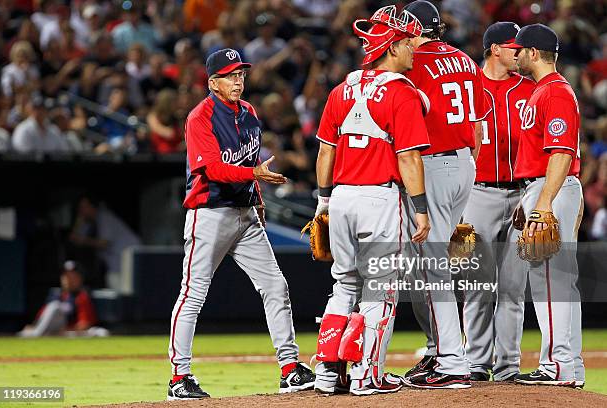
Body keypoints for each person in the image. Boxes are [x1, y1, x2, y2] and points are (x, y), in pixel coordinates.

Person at [167, 48, 315, 400]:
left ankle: (290, 369)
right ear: (213, 81)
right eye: (231, 75)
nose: (238, 80)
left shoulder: (249, 112)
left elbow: (248, 164)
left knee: (276, 287)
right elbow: (213, 169)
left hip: (246, 214)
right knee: (193, 293)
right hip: (210, 212)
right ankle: (179, 377)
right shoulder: (200, 117)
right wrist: (254, 174)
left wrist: (258, 198)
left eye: (241, 74)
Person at [313, 6, 430, 395]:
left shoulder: (341, 89)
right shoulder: (401, 92)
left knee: (343, 285)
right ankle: (367, 376)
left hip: (341, 196)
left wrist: (324, 202)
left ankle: (328, 375)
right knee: (382, 289)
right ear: (392, 46)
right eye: (409, 43)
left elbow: (325, 152)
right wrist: (422, 209)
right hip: (380, 198)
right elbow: (409, 157)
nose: (414, 48)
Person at [400, 0, 489, 389]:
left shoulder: (414, 63)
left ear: (415, 28)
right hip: (465, 163)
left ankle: (451, 360)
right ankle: (443, 351)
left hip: (432, 165)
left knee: (431, 265)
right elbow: (479, 126)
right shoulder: (467, 61)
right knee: (434, 265)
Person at [502, 23, 585, 388]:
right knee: (559, 282)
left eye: (519, 51)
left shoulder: (555, 93)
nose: (515, 55)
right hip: (544, 188)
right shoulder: (544, 91)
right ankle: (570, 366)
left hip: (552, 187)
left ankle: (557, 365)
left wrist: (544, 203)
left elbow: (561, 153)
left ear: (533, 53)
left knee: (552, 282)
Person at [461, 21, 535, 382]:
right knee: (477, 284)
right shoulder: (466, 87)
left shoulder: (530, 90)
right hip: (477, 194)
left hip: (522, 193)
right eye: (512, 46)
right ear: (494, 49)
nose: (518, 52)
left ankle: (508, 366)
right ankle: (476, 361)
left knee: (513, 288)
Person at [18, 260, 99, 337]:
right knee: (54, 306)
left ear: (80, 278)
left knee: (55, 307)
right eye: (66, 276)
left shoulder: (81, 296)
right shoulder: (55, 295)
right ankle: (37, 333)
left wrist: (64, 330)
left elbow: (84, 325)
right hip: (50, 332)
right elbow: (40, 319)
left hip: (69, 333)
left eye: (73, 276)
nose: (68, 280)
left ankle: (37, 334)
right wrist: (33, 327)